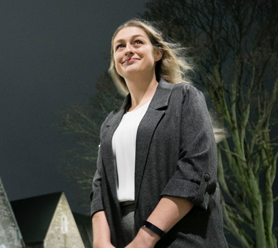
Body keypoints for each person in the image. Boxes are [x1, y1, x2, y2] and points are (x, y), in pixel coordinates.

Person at [90, 19, 227, 248]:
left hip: (180, 237)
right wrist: (101, 242)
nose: (128, 50)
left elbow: (197, 169)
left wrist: (145, 238)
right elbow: (99, 186)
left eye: (137, 42)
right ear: (115, 62)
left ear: (157, 54)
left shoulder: (184, 98)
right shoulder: (110, 123)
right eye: (120, 46)